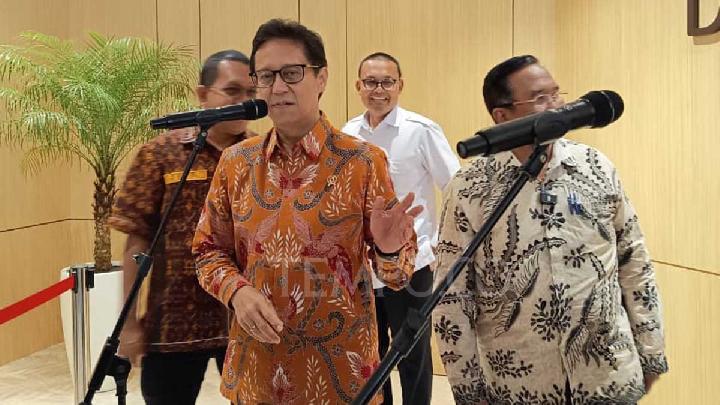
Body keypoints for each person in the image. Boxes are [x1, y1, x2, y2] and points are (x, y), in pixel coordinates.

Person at [192, 19, 422, 405]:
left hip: (341, 378)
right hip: (257, 373)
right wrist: (237, 292)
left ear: (321, 78)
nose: (278, 87)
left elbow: (397, 277)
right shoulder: (235, 163)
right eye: (266, 76)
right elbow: (207, 251)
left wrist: (387, 249)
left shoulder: (363, 162)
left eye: (292, 73)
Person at [432, 55, 668, 404]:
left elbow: (634, 261)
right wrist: (468, 390)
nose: (557, 106)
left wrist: (651, 353)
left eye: (557, 94)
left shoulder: (595, 166)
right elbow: (453, 295)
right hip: (518, 384)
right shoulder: (471, 187)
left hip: (607, 374)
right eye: (541, 98)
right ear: (502, 116)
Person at [109, 49, 257, 405]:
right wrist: (128, 323)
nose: (244, 100)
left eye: (251, 92)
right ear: (203, 94)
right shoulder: (160, 154)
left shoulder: (260, 155)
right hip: (172, 324)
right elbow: (137, 243)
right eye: (232, 90)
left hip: (245, 319)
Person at [342, 52, 460, 405]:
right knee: (370, 353)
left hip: (413, 263)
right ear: (358, 86)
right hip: (363, 266)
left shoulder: (420, 130)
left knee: (413, 353)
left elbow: (455, 188)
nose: (379, 90)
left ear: (400, 85)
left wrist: (438, 245)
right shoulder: (347, 134)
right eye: (371, 82)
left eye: (387, 82)